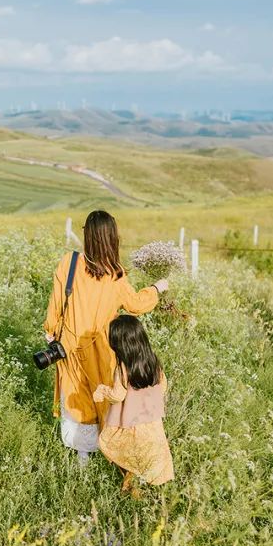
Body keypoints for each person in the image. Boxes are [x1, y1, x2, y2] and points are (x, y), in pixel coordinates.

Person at [43, 210, 169, 462]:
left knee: (76, 396)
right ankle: (110, 451)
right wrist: (156, 288)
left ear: (88, 235)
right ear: (112, 238)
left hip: (68, 346)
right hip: (103, 349)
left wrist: (51, 331)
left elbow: (56, 302)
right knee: (103, 397)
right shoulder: (115, 274)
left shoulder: (69, 262)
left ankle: (82, 457)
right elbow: (135, 305)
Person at [93, 314, 175, 495]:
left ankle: (131, 486)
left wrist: (102, 390)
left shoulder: (123, 367)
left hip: (130, 422)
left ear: (120, 345)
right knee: (149, 454)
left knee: (114, 444)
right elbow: (163, 386)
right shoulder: (152, 360)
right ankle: (143, 485)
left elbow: (118, 395)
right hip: (152, 421)